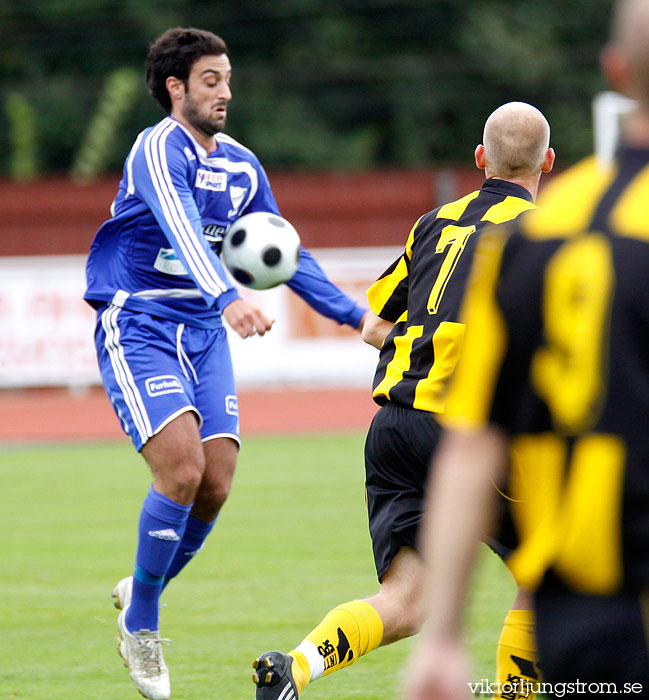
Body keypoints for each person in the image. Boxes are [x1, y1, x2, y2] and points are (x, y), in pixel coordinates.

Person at [84, 27, 367, 700]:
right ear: (176, 87)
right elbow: (179, 220)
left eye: (229, 79)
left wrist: (358, 317)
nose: (225, 93)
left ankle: (139, 589)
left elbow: (282, 249)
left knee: (215, 482)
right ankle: (144, 625)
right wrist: (226, 294)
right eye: (211, 80)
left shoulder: (241, 164)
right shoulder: (157, 148)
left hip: (203, 331)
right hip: (142, 319)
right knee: (180, 469)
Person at [252, 102, 554, 700]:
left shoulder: (434, 222)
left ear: (479, 158)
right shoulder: (546, 233)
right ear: (548, 161)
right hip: (469, 431)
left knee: (407, 601)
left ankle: (296, 668)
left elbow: (373, 326)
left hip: (394, 429)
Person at [404, 1, 649, 698]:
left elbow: (473, 434)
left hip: (585, 609)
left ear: (616, 73)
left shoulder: (538, 233)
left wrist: (445, 636)